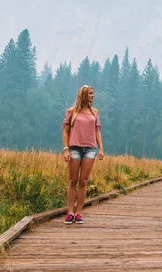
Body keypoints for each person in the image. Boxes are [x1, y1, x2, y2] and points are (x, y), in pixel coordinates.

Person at [62, 85, 104, 224]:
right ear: (84, 95)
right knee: (73, 180)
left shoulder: (95, 113)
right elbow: (66, 130)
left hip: (90, 149)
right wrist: (66, 149)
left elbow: (97, 131)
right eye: (91, 93)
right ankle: (70, 213)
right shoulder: (71, 111)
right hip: (74, 148)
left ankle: (79, 212)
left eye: (93, 93)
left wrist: (101, 149)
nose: (93, 96)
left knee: (84, 181)